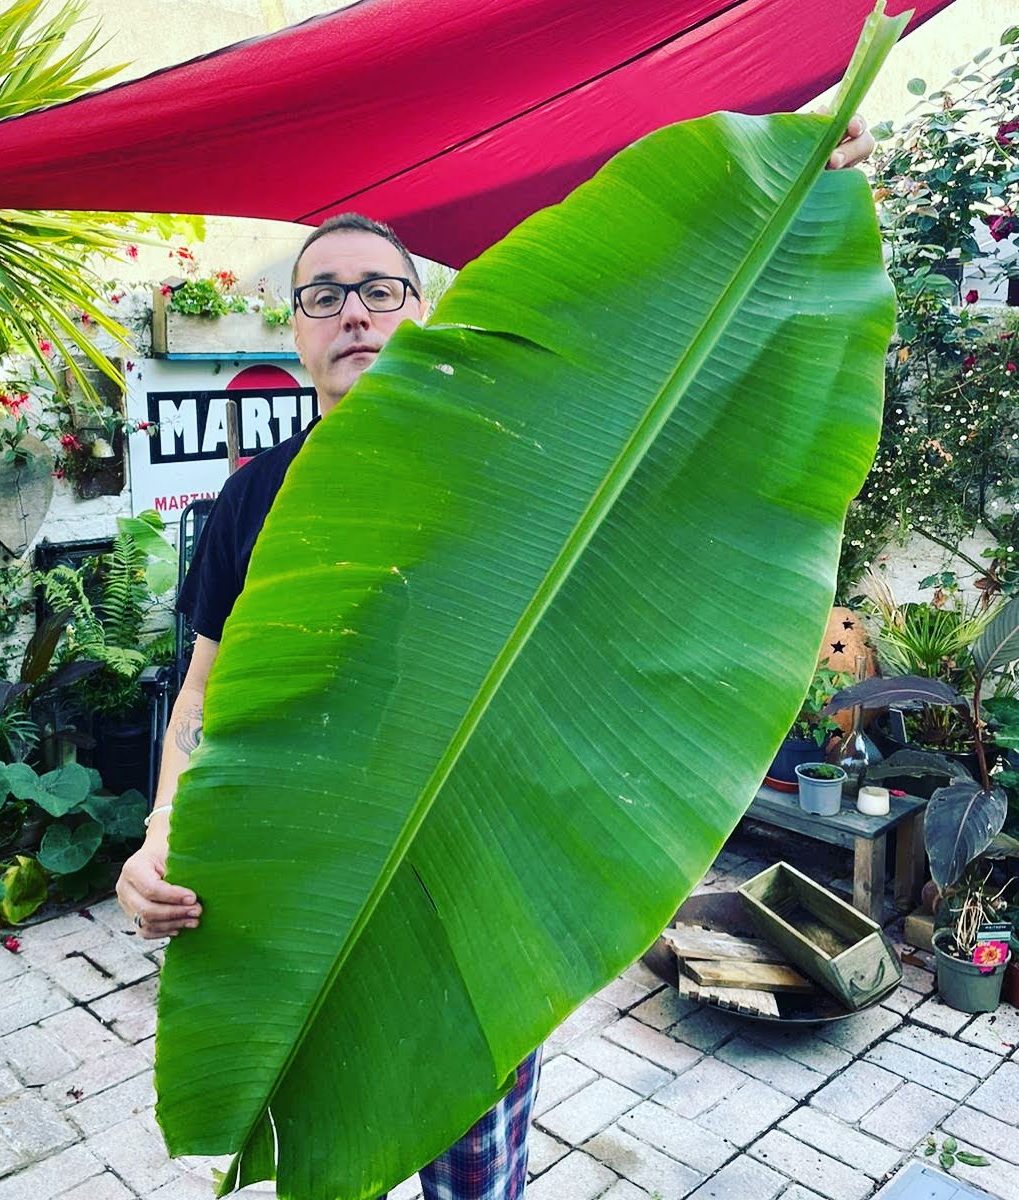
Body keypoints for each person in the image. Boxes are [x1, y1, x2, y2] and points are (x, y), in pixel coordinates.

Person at [116, 112, 876, 1199]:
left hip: (468, 882)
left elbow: (662, 377)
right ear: (293, 331)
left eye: (379, 287)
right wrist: (157, 835)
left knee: (474, 1173)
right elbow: (202, 693)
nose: (353, 312)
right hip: (293, 882)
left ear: (420, 310)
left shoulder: (508, 465)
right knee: (292, 1141)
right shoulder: (251, 498)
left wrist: (791, 191)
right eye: (321, 293)